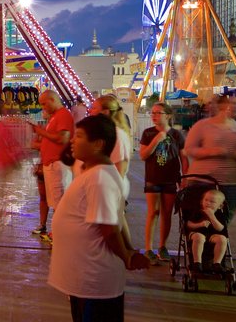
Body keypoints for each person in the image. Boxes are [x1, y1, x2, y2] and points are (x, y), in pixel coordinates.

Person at [48, 115, 151, 322]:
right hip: (86, 278)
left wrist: (127, 257)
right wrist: (129, 250)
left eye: (79, 136)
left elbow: (109, 228)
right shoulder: (95, 173)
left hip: (94, 280)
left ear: (98, 144)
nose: (72, 141)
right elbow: (117, 219)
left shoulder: (100, 178)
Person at [183, 94, 236, 222]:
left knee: (222, 224)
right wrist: (212, 152)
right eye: (232, 104)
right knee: (197, 222)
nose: (235, 108)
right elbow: (189, 149)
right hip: (201, 181)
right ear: (223, 106)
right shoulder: (202, 125)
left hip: (229, 184)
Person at [139, 103, 187, 263]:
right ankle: (148, 248)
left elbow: (184, 158)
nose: (154, 116)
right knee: (153, 212)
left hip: (171, 179)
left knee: (167, 214)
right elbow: (143, 155)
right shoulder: (148, 133)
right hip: (153, 178)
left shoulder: (177, 135)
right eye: (152, 113)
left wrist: (185, 177)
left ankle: (163, 246)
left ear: (167, 115)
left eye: (158, 113)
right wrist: (156, 140)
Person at [32, 90, 76, 239]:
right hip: (51, 164)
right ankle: (56, 232)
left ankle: (59, 234)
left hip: (57, 164)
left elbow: (62, 139)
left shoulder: (63, 115)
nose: (43, 107)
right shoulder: (56, 116)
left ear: (52, 99)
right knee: (55, 200)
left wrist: (40, 132)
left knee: (60, 202)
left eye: (44, 103)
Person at [184, 189, 229, 274]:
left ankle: (217, 263)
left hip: (213, 235)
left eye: (212, 202)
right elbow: (188, 224)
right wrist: (200, 224)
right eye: (206, 200)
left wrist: (212, 216)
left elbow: (220, 228)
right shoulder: (198, 211)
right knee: (199, 237)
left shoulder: (219, 214)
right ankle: (197, 262)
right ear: (202, 201)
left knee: (222, 239)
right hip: (196, 233)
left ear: (220, 206)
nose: (208, 203)